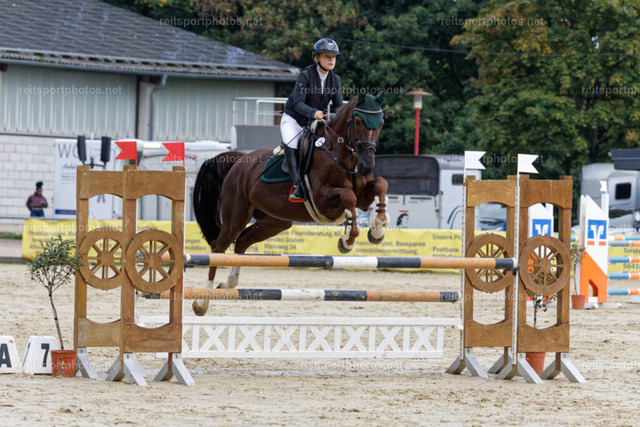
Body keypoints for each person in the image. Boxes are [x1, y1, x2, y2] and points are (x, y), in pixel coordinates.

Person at [281, 38, 344, 202]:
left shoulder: (335, 80)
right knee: (292, 143)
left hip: (313, 123)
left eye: (334, 57)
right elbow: (297, 103)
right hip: (293, 120)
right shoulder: (306, 75)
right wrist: (313, 112)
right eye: (327, 56)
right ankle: (297, 186)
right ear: (317, 58)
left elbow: (338, 107)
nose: (331, 60)